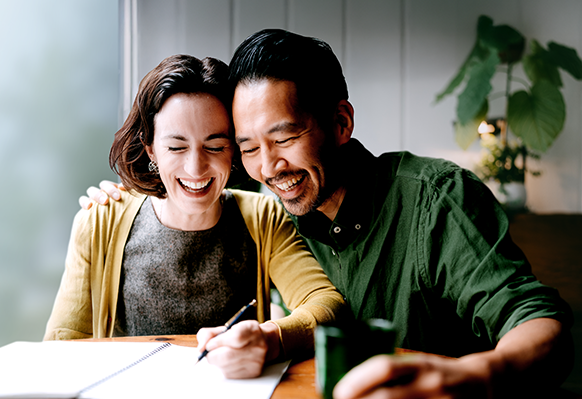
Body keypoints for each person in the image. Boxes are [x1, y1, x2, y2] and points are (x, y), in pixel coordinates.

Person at [83, 30, 574, 397]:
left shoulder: (434, 197)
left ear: (340, 123)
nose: (268, 166)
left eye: (285, 138)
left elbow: (538, 320)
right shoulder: (268, 211)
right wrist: (116, 200)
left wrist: (474, 374)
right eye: (248, 147)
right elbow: (188, 179)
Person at [45, 54, 347, 379]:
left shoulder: (263, 216)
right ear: (150, 150)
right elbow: (60, 348)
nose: (195, 169)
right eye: (176, 147)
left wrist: (269, 337)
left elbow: (326, 304)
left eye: (215, 146)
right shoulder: (101, 220)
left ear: (233, 150)